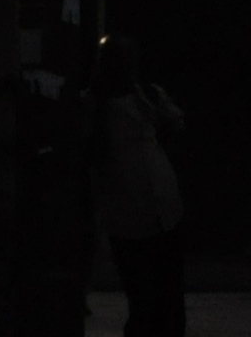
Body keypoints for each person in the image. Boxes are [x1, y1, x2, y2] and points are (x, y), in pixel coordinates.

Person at [90, 37, 187, 337]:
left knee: (167, 294)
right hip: (129, 215)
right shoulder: (93, 105)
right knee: (144, 296)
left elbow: (177, 125)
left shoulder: (148, 96)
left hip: (162, 208)